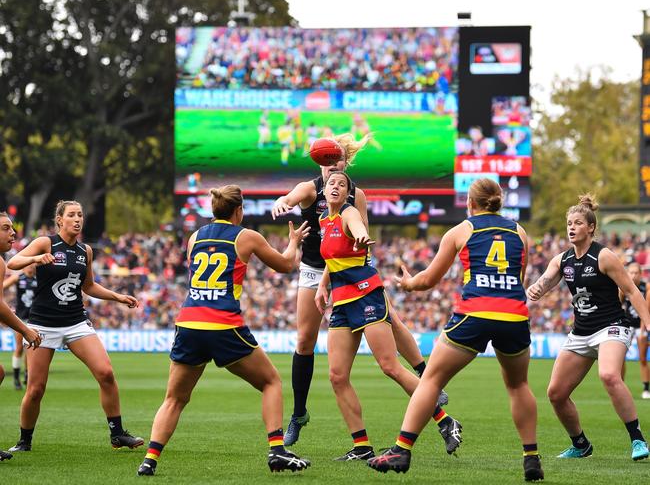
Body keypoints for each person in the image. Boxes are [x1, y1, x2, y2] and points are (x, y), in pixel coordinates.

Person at [271, 133, 449, 447]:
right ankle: (298, 414)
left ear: (345, 163)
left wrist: (360, 248)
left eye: (336, 160)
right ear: (319, 163)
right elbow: (292, 195)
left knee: (391, 319)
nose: (330, 165)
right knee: (304, 340)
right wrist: (282, 202)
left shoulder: (356, 196)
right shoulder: (311, 188)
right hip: (316, 270)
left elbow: (359, 227)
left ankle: (424, 375)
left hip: (351, 268)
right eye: (325, 160)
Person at [368, 178, 543, 482]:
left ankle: (401, 450)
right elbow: (519, 279)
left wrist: (407, 283)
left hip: (475, 313)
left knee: (431, 379)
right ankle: (531, 458)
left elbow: (427, 281)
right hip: (513, 315)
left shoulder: (461, 230)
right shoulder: (520, 232)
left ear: (469, 203)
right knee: (518, 386)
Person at [137, 186, 311, 476]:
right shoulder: (246, 236)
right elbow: (285, 265)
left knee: (174, 399)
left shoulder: (194, 238)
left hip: (189, 323)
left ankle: (149, 460)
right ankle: (277, 451)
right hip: (223, 325)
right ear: (238, 210)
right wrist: (293, 242)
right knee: (271, 382)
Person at [314, 171, 461, 461]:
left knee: (389, 366)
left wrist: (361, 234)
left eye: (342, 185)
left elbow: (357, 227)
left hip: (367, 295)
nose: (335, 186)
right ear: (324, 190)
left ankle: (445, 421)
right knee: (336, 376)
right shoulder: (323, 221)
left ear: (347, 194)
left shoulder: (349, 213)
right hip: (343, 303)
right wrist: (322, 285)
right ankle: (361, 447)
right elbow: (334, 259)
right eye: (331, 183)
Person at [6, 200, 143, 453]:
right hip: (42, 324)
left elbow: (88, 286)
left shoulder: (85, 251)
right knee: (35, 389)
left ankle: (117, 434)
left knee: (106, 373)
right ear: (60, 220)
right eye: (71, 215)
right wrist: (37, 258)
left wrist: (117, 296)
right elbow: (12, 264)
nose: (77, 219)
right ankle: (24, 441)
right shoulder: (46, 243)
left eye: (80, 214)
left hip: (75, 322)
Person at [526, 194, 650, 462]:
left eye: (578, 222)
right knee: (556, 394)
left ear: (590, 227)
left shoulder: (604, 256)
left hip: (611, 327)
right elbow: (546, 281)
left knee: (608, 375)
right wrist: (536, 288)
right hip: (581, 332)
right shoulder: (562, 260)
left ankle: (638, 439)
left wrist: (648, 323)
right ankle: (581, 444)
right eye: (569, 223)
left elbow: (630, 290)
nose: (571, 227)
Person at [0, 211, 42, 462]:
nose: (13, 232)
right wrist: (24, 328)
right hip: (24, 319)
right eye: (5, 228)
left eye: (12, 228)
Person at [3, 263, 37, 390]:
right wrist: (6, 306)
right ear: (24, 267)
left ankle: (28, 376)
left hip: (34, 319)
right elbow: (2, 287)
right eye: (28, 266)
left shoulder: (38, 279)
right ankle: (16, 377)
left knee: (31, 349)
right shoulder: (18, 278)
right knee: (19, 348)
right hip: (20, 319)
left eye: (33, 266)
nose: (31, 267)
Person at [619, 262, 650, 399]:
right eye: (630, 272)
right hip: (627, 325)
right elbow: (617, 305)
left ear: (640, 274)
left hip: (641, 325)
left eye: (635, 273)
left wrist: (644, 331)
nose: (633, 275)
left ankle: (646, 388)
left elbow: (647, 310)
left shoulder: (646, 288)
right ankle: (620, 387)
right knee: (620, 358)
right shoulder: (623, 287)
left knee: (642, 358)